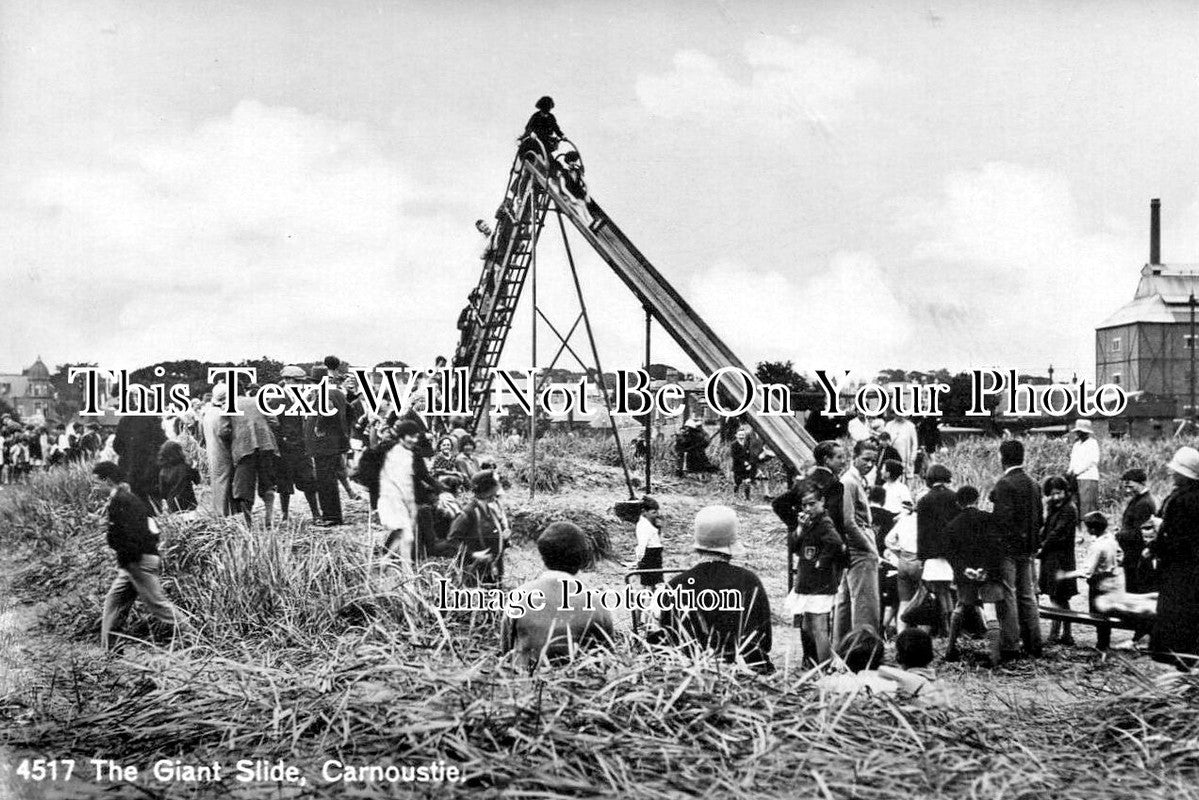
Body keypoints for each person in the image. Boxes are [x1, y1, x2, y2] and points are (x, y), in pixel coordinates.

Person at [657, 505, 773, 673]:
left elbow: (667, 638)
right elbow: (764, 640)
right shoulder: (749, 581)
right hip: (745, 672)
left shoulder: (675, 585)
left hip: (689, 673)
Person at [93, 461, 192, 650]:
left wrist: (126, 553)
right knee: (114, 601)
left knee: (158, 605)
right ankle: (110, 650)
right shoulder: (123, 498)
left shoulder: (122, 501)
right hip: (134, 561)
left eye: (97, 483)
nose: (95, 488)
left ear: (108, 481)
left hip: (137, 561)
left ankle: (194, 638)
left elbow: (134, 534)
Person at [500, 521, 615, 670]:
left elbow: (506, 651)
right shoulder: (597, 604)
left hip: (526, 681)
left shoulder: (519, 597)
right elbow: (607, 658)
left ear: (543, 555)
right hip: (580, 681)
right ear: (581, 559)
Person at [1146, 446, 1199, 669]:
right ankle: (1184, 662)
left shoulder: (1186, 500)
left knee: (1178, 617)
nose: (1172, 473)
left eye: (1177, 471)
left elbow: (1179, 537)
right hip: (1186, 569)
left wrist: (1158, 537)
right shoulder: (1184, 496)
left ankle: (1181, 663)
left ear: (1186, 474)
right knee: (1185, 617)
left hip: (1181, 569)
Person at [990, 439, 1044, 659]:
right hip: (1028, 547)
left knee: (1008, 595)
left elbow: (1001, 521)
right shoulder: (1034, 483)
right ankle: (1034, 644)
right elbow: (1040, 518)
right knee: (1027, 595)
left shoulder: (1004, 484)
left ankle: (1011, 645)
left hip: (1009, 549)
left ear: (1002, 458)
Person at [943, 486, 1006, 666]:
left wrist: (965, 569)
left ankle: (950, 650)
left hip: (965, 576)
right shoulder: (990, 520)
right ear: (978, 500)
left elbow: (951, 554)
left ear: (958, 503)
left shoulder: (952, 525)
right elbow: (997, 549)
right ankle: (994, 657)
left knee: (960, 606)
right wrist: (984, 569)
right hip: (988, 574)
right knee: (991, 612)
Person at [785, 481, 845, 666]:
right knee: (807, 625)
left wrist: (822, 562)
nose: (808, 509)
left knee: (819, 628)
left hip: (819, 582)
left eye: (812, 504)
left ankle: (825, 667)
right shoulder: (807, 523)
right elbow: (793, 546)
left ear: (822, 502)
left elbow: (836, 543)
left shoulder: (824, 522)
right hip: (807, 580)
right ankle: (822, 662)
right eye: (804, 505)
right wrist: (800, 529)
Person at [378, 420, 452, 565]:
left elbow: (424, 475)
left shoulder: (415, 452)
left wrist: (441, 489)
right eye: (410, 436)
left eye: (415, 437)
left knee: (436, 509)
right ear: (401, 436)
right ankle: (395, 552)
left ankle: (430, 544)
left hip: (416, 493)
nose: (413, 440)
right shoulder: (389, 451)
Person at [832, 440, 880, 643]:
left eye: (873, 461)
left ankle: (841, 647)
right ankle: (864, 648)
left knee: (845, 601)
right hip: (859, 548)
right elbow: (848, 522)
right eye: (865, 459)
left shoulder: (855, 480)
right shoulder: (849, 482)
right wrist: (870, 548)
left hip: (853, 547)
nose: (869, 464)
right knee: (865, 604)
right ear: (855, 457)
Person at [274, 366, 320, 523]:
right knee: (284, 484)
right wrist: (281, 441)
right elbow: (273, 423)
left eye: (302, 382)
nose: (301, 384)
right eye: (298, 381)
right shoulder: (277, 399)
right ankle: (285, 515)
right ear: (287, 380)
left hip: (302, 447)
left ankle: (316, 514)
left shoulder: (303, 398)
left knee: (309, 481)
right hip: (285, 448)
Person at [916, 463, 957, 637]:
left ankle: (945, 628)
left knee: (939, 591)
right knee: (947, 591)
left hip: (932, 553)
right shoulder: (954, 497)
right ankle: (951, 627)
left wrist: (921, 556)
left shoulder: (924, 500)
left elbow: (922, 531)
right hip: (951, 552)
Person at [448, 470, 510, 587]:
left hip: (493, 571)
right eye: (493, 493)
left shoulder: (491, 510)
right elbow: (452, 541)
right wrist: (473, 554)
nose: (496, 496)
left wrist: (503, 537)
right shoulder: (468, 513)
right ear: (487, 492)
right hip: (475, 574)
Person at [306, 366, 350, 527]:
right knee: (330, 480)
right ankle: (334, 515)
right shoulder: (339, 393)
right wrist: (343, 431)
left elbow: (328, 409)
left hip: (324, 445)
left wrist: (319, 426)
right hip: (335, 443)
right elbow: (350, 411)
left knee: (325, 481)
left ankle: (331, 516)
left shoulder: (325, 394)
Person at [230, 384, 279, 528]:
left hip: (244, 448)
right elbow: (274, 421)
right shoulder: (258, 401)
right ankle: (269, 518)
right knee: (267, 482)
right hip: (265, 445)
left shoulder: (229, 406)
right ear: (244, 391)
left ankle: (248, 523)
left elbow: (224, 430)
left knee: (244, 486)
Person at [1038, 476, 1079, 646]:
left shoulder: (1069, 509)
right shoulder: (1054, 507)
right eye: (1052, 494)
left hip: (1061, 559)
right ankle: (1063, 634)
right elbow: (1047, 529)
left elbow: (1058, 533)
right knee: (1055, 596)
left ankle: (1060, 634)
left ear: (1065, 491)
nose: (1055, 497)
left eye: (1059, 493)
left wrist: (1042, 547)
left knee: (1060, 596)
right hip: (1051, 557)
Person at [112, 400, 167, 511]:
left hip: (130, 469)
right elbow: (163, 443)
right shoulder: (152, 419)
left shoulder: (124, 421)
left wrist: (127, 455)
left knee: (134, 503)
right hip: (150, 469)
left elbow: (117, 445)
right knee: (153, 505)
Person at [1117, 468, 1157, 596]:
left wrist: (1119, 535)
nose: (1128, 490)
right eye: (1125, 487)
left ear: (1141, 483)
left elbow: (1140, 533)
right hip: (1133, 555)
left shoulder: (1143, 503)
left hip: (1138, 557)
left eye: (1130, 486)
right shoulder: (1139, 500)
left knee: (1137, 593)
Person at [200, 384, 233, 516]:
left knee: (217, 481)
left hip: (212, 450)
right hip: (222, 451)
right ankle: (222, 513)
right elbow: (224, 432)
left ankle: (219, 512)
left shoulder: (208, 413)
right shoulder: (221, 414)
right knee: (224, 481)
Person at [1067, 419, 1100, 521]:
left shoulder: (1092, 443)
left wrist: (1077, 471)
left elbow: (1091, 461)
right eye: (1078, 432)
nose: (1079, 434)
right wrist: (1070, 471)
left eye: (1081, 432)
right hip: (1075, 478)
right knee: (1076, 503)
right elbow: (1073, 460)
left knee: (1087, 505)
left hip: (1088, 477)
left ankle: (1089, 526)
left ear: (1086, 432)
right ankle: (1079, 527)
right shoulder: (1076, 445)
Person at [157, 440, 200, 513]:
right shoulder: (185, 467)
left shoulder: (163, 472)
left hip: (173, 505)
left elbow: (163, 492)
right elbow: (197, 481)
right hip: (189, 503)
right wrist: (194, 467)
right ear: (178, 452)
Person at [632, 495, 664, 587]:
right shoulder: (643, 525)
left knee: (655, 583)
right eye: (653, 512)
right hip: (649, 555)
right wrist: (639, 559)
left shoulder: (650, 523)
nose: (656, 515)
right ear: (644, 512)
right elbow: (642, 544)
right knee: (648, 583)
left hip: (655, 555)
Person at [729, 426, 766, 500]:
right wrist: (744, 462)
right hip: (737, 466)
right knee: (737, 482)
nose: (741, 436)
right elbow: (734, 456)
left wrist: (749, 463)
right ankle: (735, 496)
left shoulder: (747, 443)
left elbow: (750, 454)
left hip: (747, 466)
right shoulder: (734, 444)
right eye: (739, 435)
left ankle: (747, 497)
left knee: (747, 481)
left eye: (743, 435)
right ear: (736, 435)